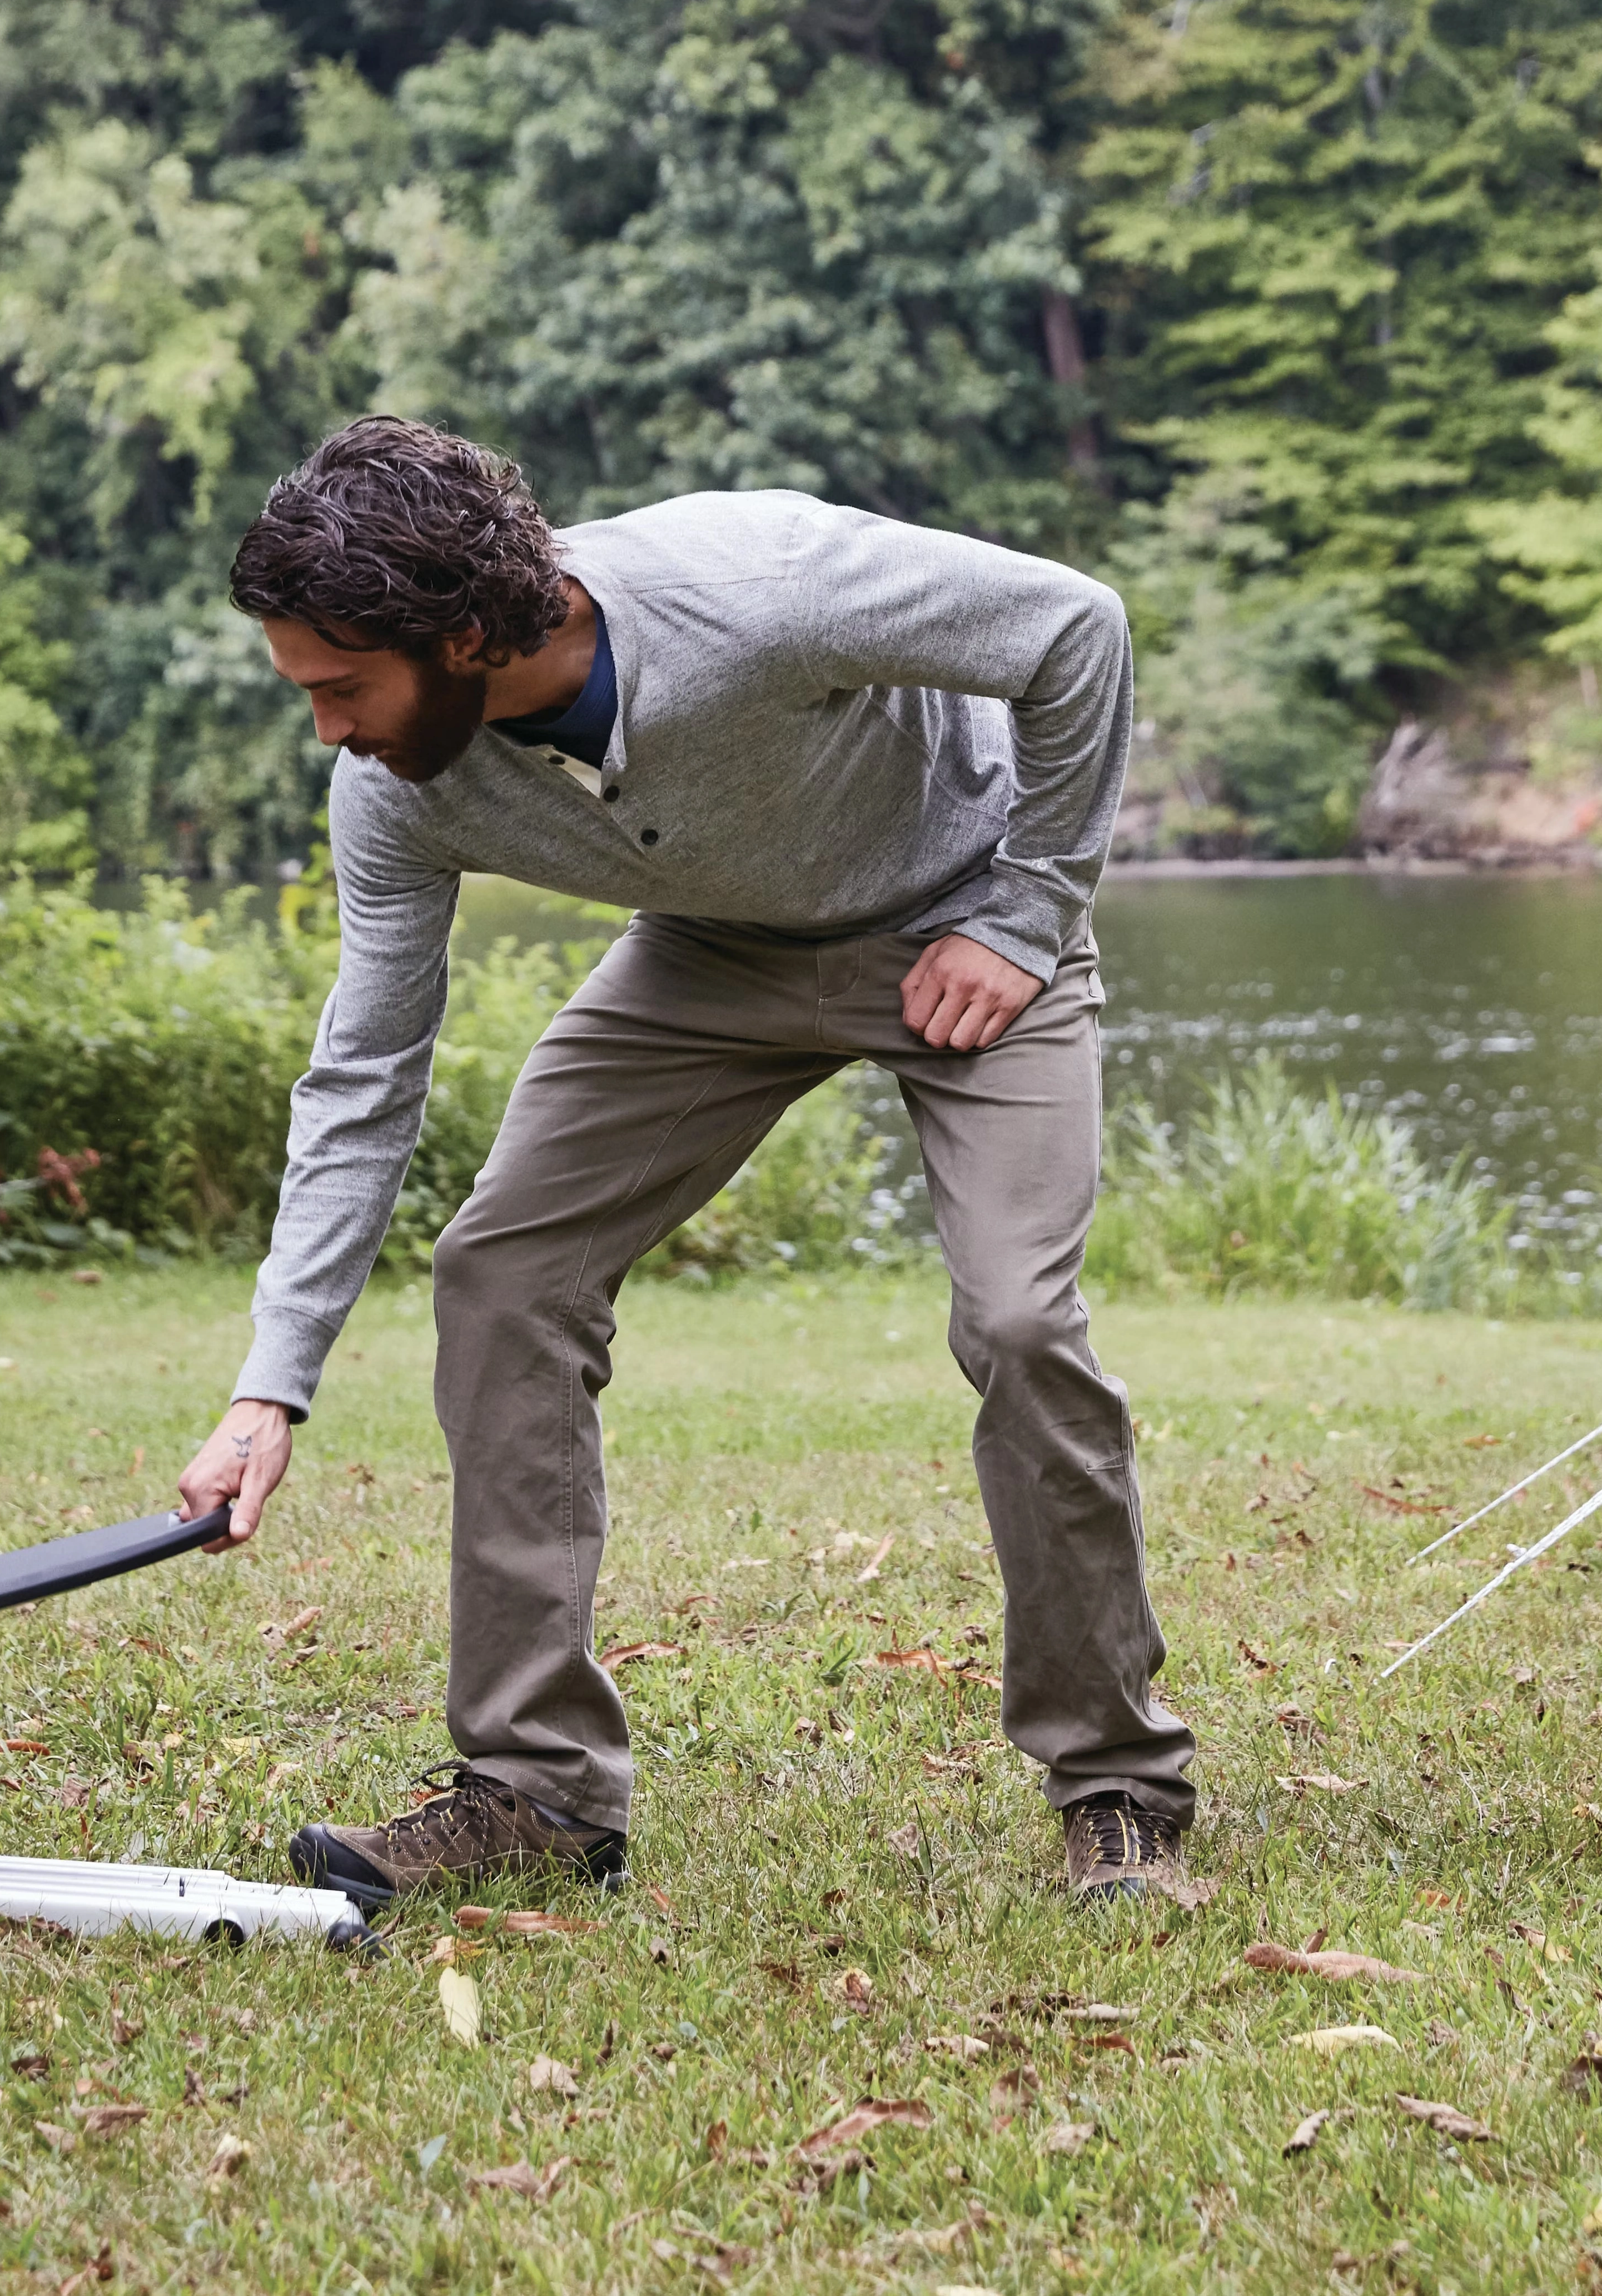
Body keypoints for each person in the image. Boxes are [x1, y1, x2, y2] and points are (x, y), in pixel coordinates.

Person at [175, 417, 1205, 1912]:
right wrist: (272, 1381)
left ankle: (1119, 1786)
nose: (326, 729)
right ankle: (536, 1791)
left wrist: (1031, 908)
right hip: (712, 959)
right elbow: (363, 1078)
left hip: (967, 923)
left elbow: (1075, 629)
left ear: (463, 633)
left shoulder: (762, 585)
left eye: (342, 687)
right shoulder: (399, 789)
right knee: (506, 1266)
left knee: (1021, 1321)